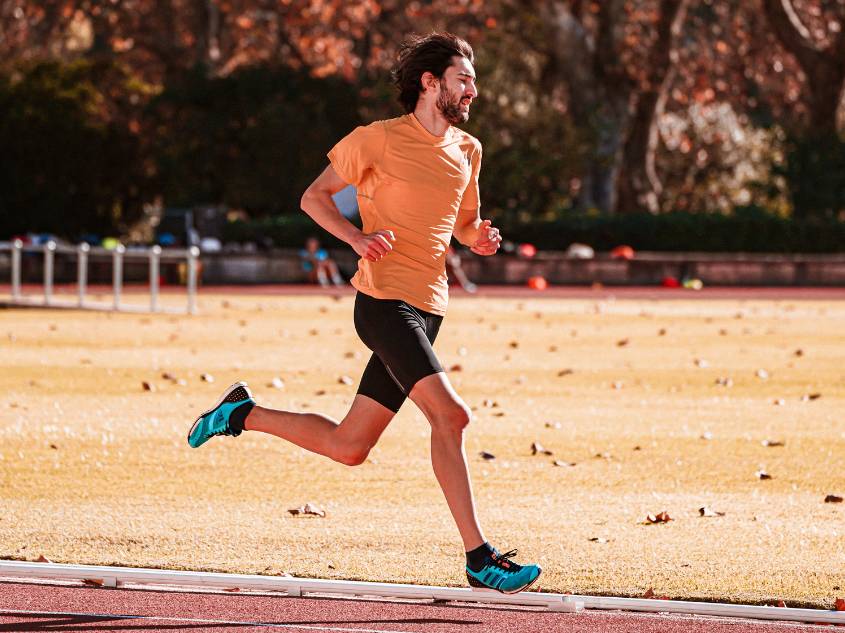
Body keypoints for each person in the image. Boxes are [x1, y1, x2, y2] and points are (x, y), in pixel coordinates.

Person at [188, 33, 541, 594]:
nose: (473, 88)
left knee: (349, 447)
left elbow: (464, 222)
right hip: (383, 304)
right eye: (463, 78)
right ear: (431, 83)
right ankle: (480, 558)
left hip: (430, 308)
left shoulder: (468, 150)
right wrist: (356, 238)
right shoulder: (376, 140)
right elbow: (314, 197)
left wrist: (480, 238)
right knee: (452, 418)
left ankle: (240, 414)